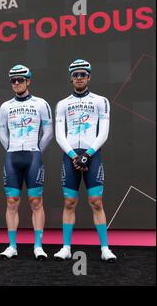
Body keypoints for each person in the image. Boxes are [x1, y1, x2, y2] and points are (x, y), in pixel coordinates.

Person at [53, 59, 117, 262]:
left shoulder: (101, 101)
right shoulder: (63, 104)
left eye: (83, 74)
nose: (79, 78)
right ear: (71, 78)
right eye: (75, 75)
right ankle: (66, 247)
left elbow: (104, 133)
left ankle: (105, 248)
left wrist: (87, 154)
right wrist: (74, 156)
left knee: (96, 202)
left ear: (89, 77)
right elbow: (59, 135)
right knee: (69, 202)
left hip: (92, 155)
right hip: (70, 155)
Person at [0, 65, 53, 260]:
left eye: (20, 80)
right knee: (12, 202)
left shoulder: (41, 104)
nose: (16, 83)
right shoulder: (5, 106)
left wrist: (36, 149)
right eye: (13, 80)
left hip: (33, 156)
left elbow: (48, 132)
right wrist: (11, 148)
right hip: (12, 157)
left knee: (35, 201)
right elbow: (2, 133)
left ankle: (38, 246)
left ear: (28, 81)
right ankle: (12, 245)